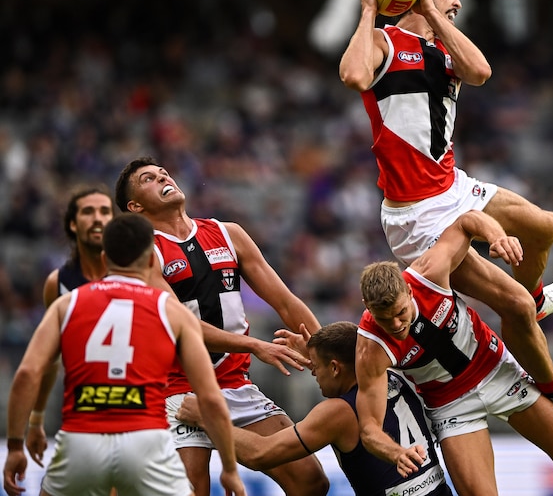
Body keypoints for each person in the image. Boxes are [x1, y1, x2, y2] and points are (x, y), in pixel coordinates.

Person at [339, 0, 553, 453]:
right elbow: (353, 76)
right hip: (416, 215)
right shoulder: (385, 44)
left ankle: (535, 304)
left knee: (546, 225)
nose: (456, 1)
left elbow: (480, 71)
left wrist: (432, 15)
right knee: (509, 304)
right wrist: (370, 12)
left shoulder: (445, 47)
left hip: (452, 186)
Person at [355, 209, 553, 496]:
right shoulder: (371, 348)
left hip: (500, 374)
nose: (396, 325)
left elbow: (467, 220)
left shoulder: (429, 273)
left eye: (400, 313)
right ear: (368, 308)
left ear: (408, 292)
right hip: (452, 407)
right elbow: (369, 428)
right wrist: (395, 453)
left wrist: (497, 237)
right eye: (385, 319)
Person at [115, 156, 329, 496]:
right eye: (148, 179)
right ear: (135, 206)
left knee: (311, 482)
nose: (162, 177)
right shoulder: (141, 251)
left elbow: (285, 302)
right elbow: (181, 325)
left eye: (163, 173)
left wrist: (323, 351)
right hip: (177, 390)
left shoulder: (228, 234)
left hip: (234, 384)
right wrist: (256, 345)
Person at [3, 213, 246, 496]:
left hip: (82, 440)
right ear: (153, 261)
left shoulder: (67, 304)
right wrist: (229, 468)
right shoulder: (172, 312)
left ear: (105, 260)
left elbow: (27, 374)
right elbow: (210, 397)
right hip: (145, 440)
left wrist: (15, 446)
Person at [177, 321, 453, 496]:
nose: (312, 373)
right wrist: (318, 355)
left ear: (335, 367)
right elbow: (348, 367)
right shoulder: (389, 375)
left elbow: (260, 454)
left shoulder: (338, 412)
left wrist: (206, 417)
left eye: (316, 367)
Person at [26, 186, 115, 467]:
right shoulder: (58, 283)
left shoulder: (140, 274)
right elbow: (49, 359)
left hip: (140, 409)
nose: (98, 218)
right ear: (73, 224)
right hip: (84, 412)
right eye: (88, 212)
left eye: (105, 211)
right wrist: (37, 416)